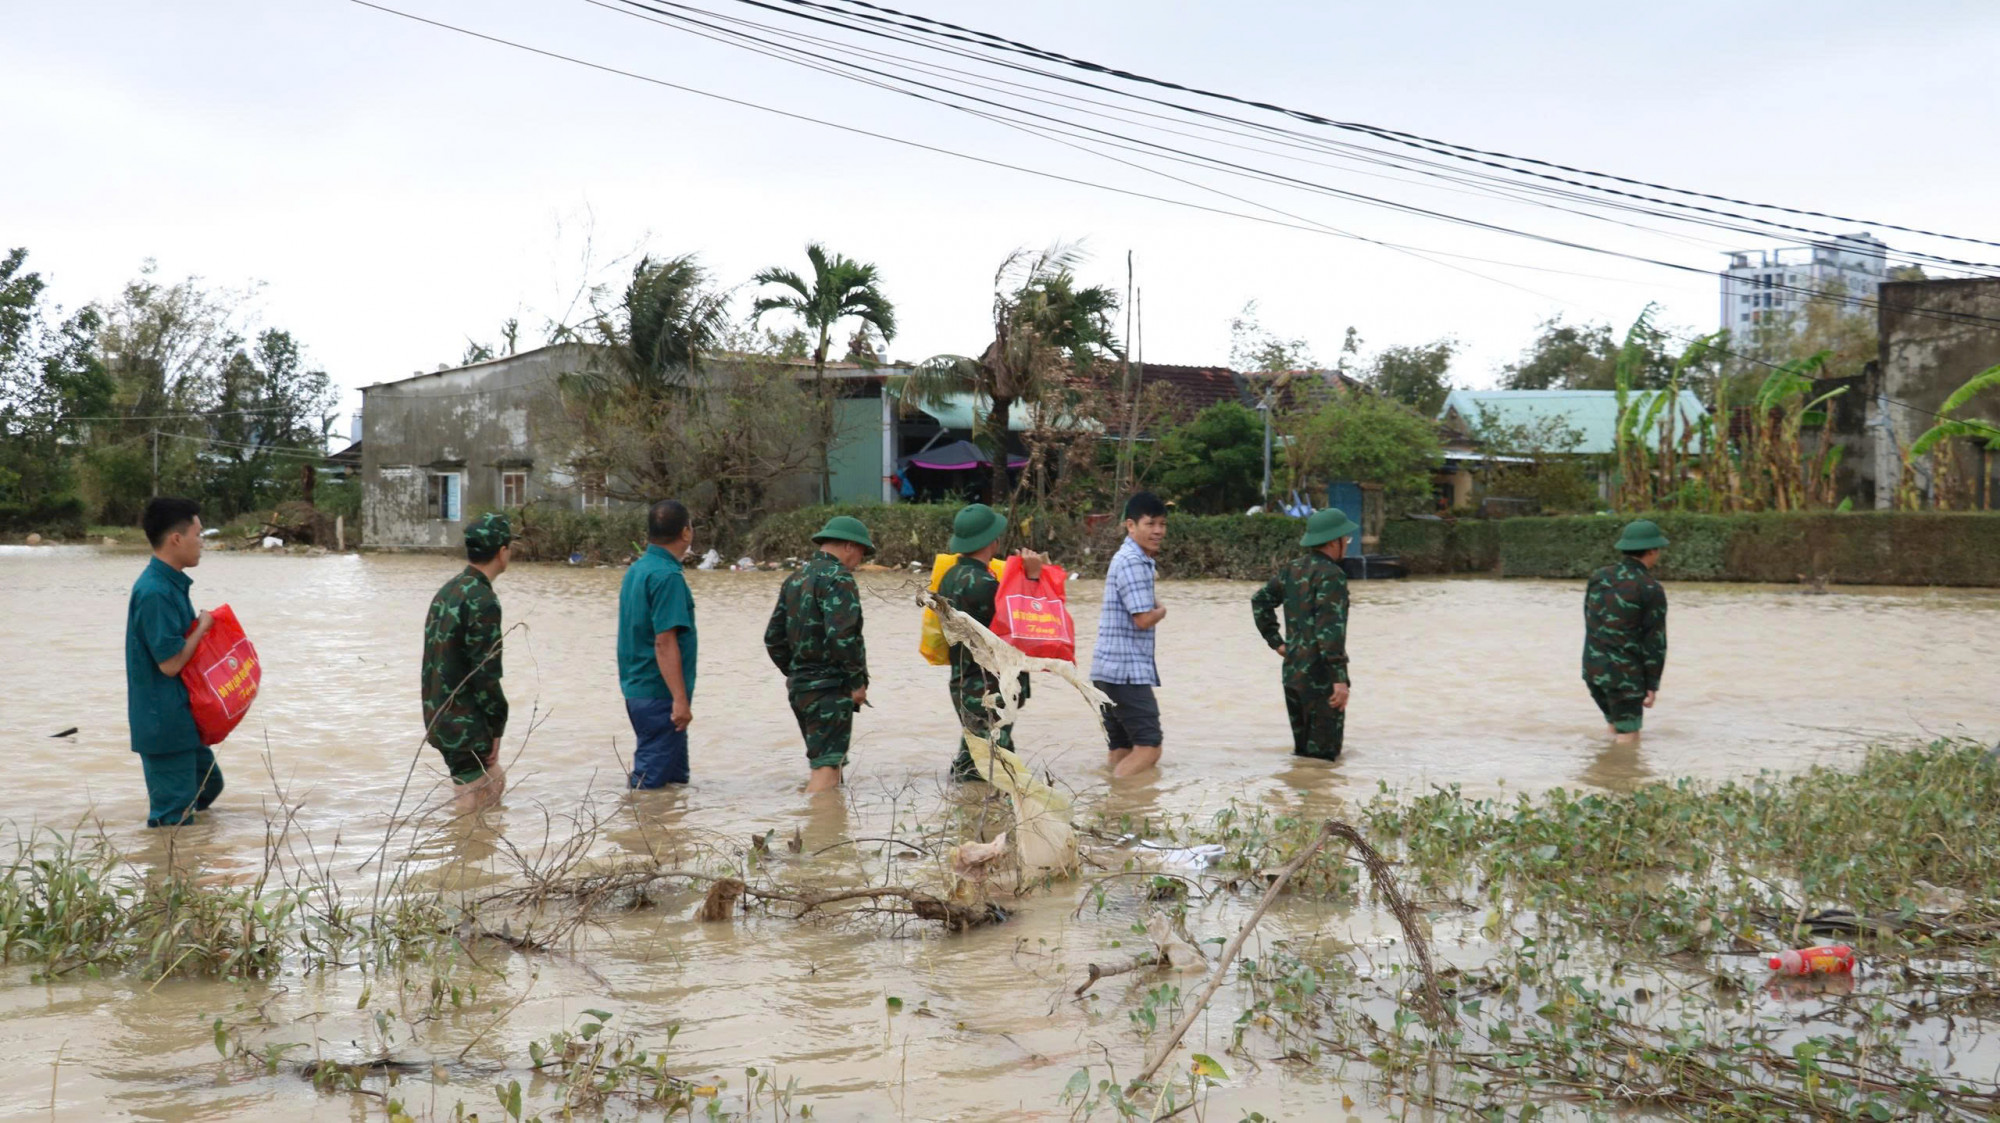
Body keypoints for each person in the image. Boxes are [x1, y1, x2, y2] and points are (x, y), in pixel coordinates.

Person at [126, 497, 225, 827]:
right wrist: (203, 628)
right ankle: (169, 870)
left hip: (181, 717)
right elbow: (169, 664)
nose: (202, 544)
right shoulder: (155, 591)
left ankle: (194, 861)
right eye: (198, 535)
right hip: (163, 723)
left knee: (209, 785)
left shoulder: (170, 583)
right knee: (173, 819)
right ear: (176, 539)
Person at [765, 516, 874, 794]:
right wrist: (856, 682)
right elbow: (843, 636)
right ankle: (817, 830)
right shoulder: (839, 579)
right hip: (829, 688)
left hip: (801, 689)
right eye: (862, 552)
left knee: (825, 763)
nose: (860, 561)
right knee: (827, 769)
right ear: (849, 546)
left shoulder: (794, 579)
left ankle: (823, 829)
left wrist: (798, 672)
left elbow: (773, 638)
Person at [936, 502, 1046, 780]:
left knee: (973, 758)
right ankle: (989, 817)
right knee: (998, 768)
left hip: (962, 682)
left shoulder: (950, 577)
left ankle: (963, 811)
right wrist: (1032, 578)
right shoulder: (984, 584)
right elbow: (1024, 626)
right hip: (988, 688)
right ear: (991, 541)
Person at [419, 511, 513, 814]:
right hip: (463, 721)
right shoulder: (483, 600)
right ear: (502, 552)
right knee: (470, 798)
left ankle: (477, 855)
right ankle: (464, 853)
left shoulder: (448, 590)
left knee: (494, 784)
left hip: (439, 713)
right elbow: (485, 673)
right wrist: (497, 725)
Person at [1251, 507, 1358, 762]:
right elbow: (1330, 631)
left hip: (1293, 675)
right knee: (1323, 761)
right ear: (1335, 541)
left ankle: (1301, 799)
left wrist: (1277, 643)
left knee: (1303, 758)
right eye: (1347, 539)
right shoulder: (1332, 575)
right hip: (1321, 680)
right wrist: (1340, 679)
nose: (1347, 544)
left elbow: (1260, 601)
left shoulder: (1292, 569)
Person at [620, 499, 699, 788]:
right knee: (648, 787)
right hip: (660, 694)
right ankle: (638, 833)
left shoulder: (637, 570)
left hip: (640, 690)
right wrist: (679, 699)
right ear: (686, 533)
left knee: (674, 784)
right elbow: (664, 642)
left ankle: (671, 834)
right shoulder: (667, 577)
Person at [1091, 492, 1169, 778]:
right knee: (1149, 747)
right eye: (1150, 524)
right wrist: (1162, 610)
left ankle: (1114, 812)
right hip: (1126, 672)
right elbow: (1143, 619)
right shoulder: (1134, 562)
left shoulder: (1127, 558)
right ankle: (1121, 795)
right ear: (1131, 526)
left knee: (1121, 748)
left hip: (1106, 670)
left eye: (1162, 524)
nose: (1158, 531)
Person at [1582, 519, 1670, 745]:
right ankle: (1622, 778)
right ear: (1652, 550)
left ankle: (1604, 777)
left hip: (1593, 669)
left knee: (1615, 726)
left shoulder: (1599, 577)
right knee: (1629, 737)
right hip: (1625, 675)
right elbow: (1655, 641)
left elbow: (1590, 618)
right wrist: (1652, 684)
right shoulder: (1650, 587)